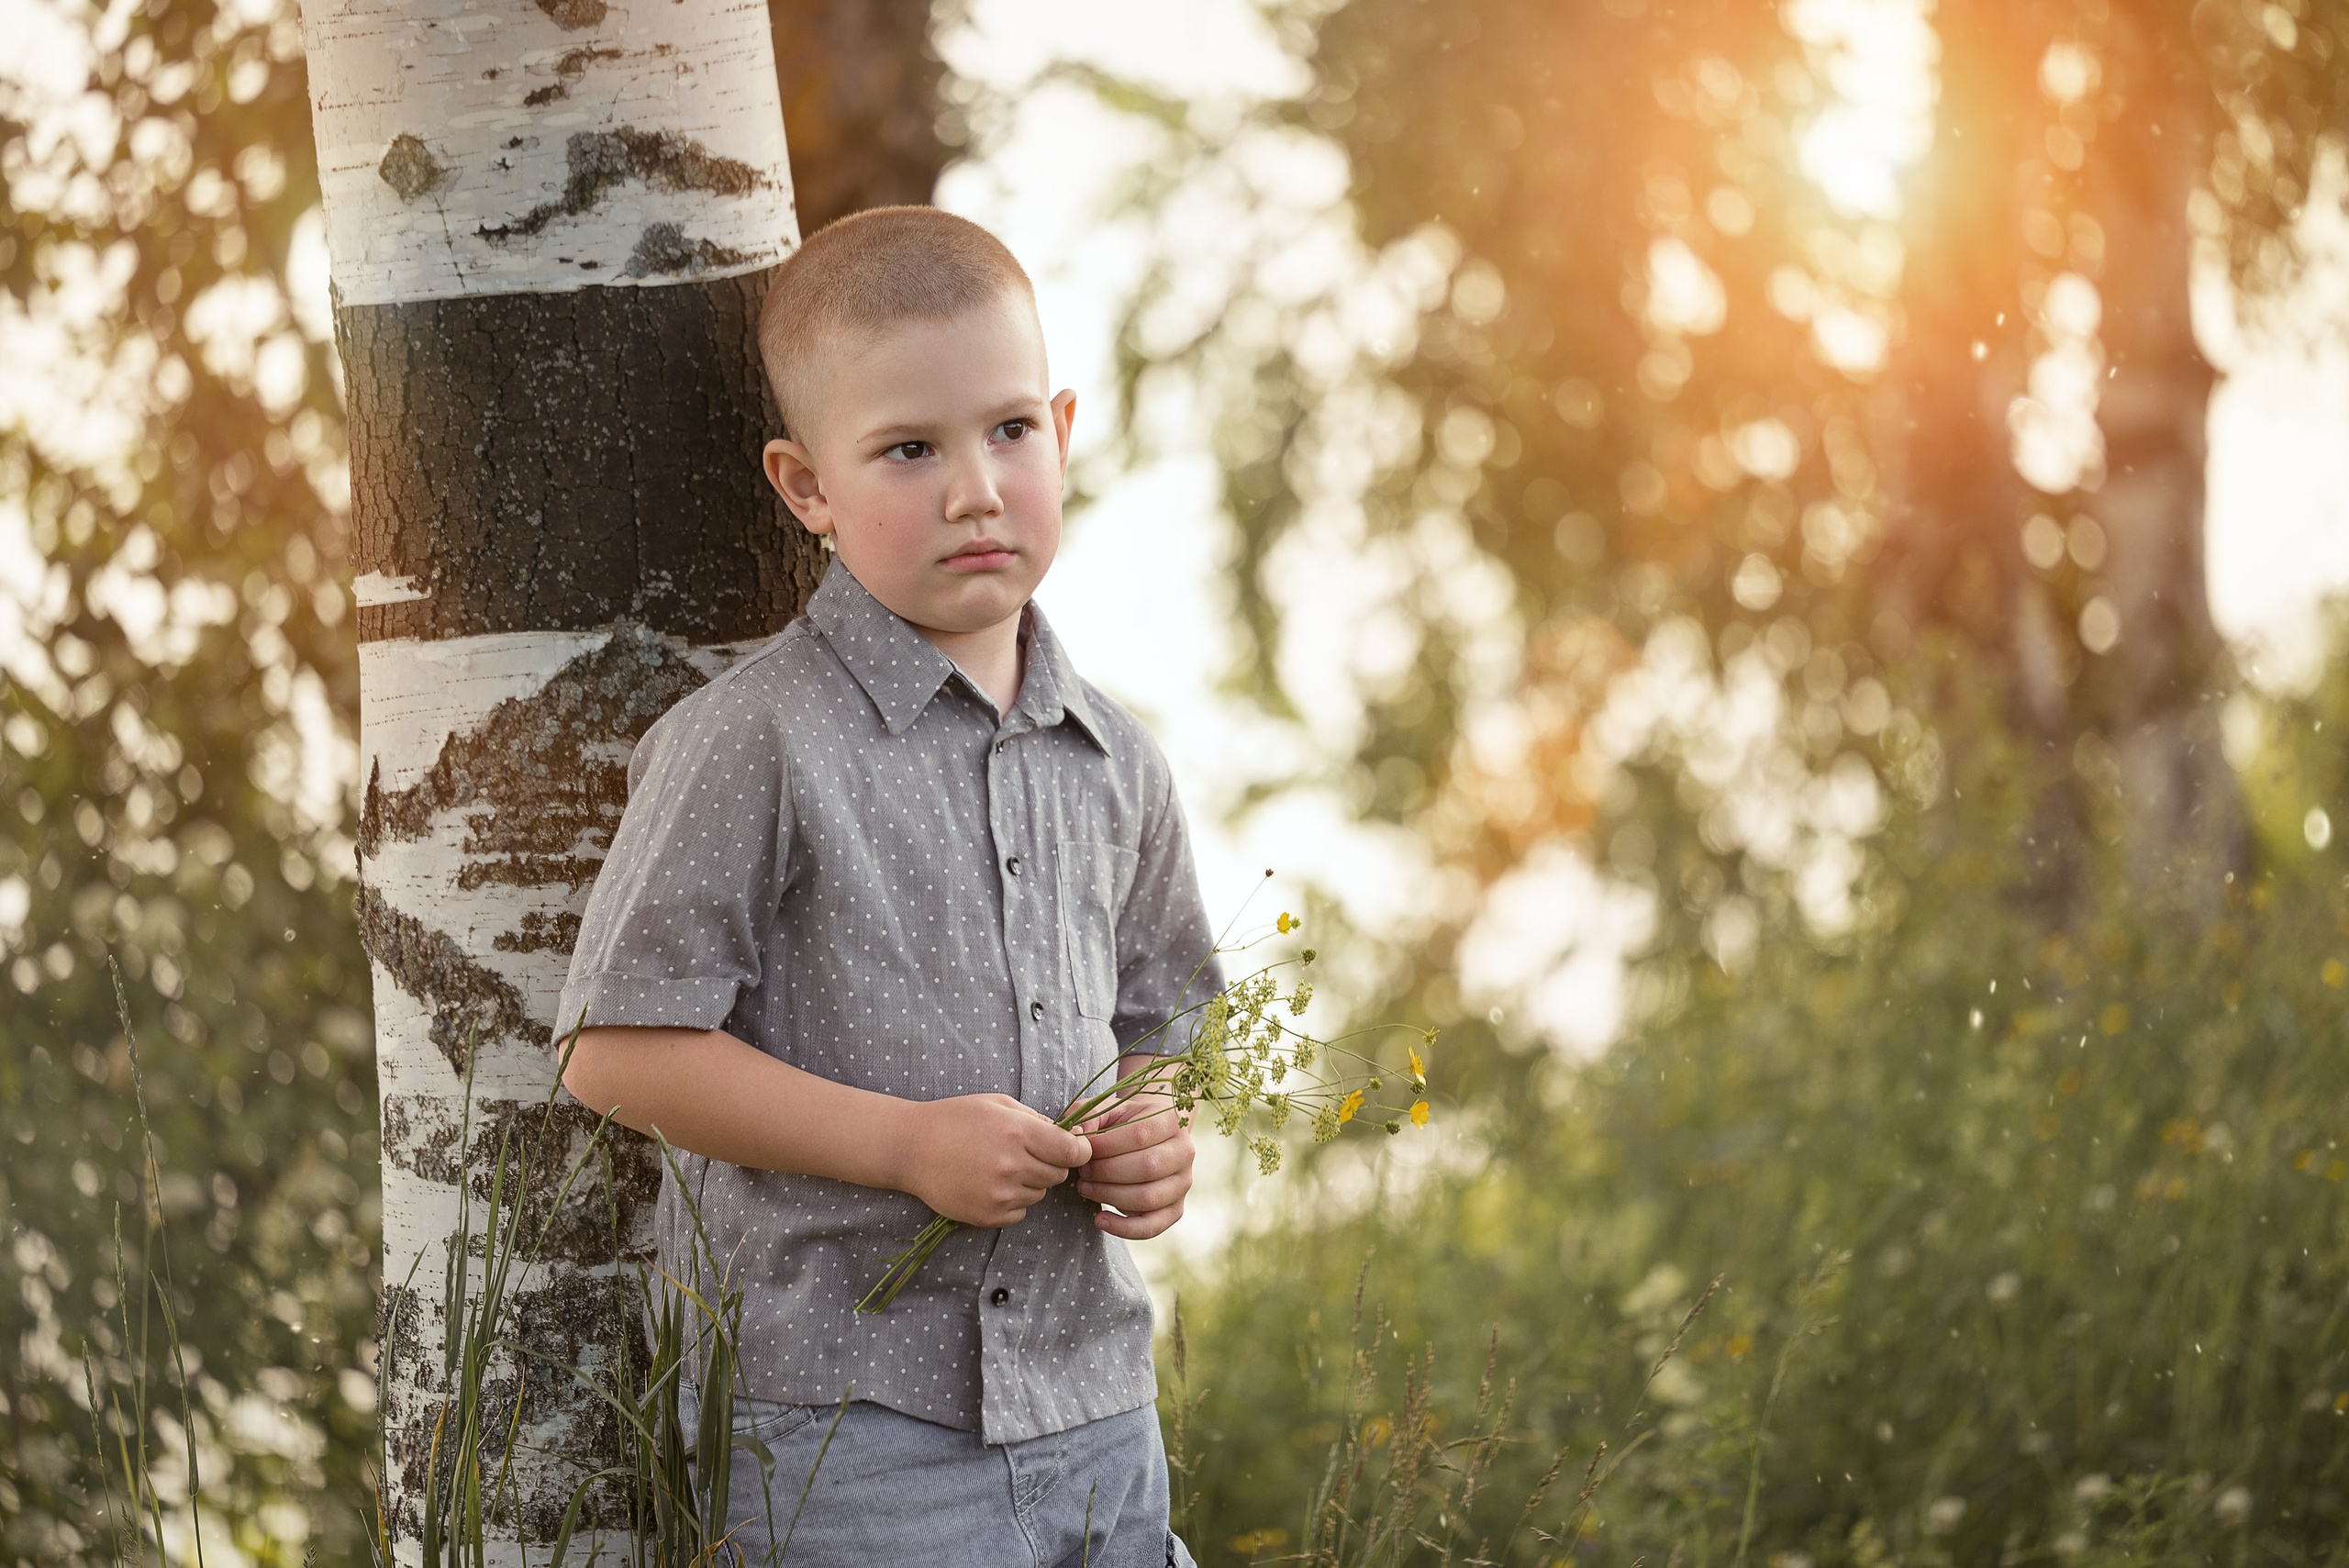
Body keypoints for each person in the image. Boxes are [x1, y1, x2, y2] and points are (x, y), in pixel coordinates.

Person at [556, 205, 1218, 1567]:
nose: (975, 487)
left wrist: (1152, 1129)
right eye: (910, 449)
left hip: (1095, 1408)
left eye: (1011, 430)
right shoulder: (755, 741)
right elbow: (616, 1051)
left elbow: (1162, 1025)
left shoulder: (1119, 761)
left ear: (1066, 429)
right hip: (850, 1433)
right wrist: (905, 1146)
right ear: (807, 486)